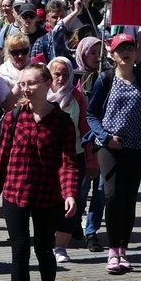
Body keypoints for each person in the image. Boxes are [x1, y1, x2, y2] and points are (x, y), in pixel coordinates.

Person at [0, 62, 79, 281]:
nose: (26, 89)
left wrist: (70, 193)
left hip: (46, 195)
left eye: (32, 83)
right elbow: (0, 158)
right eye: (23, 83)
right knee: (19, 253)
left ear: (47, 84)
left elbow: (68, 163)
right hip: (15, 194)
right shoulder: (12, 118)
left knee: (43, 249)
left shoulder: (62, 121)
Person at [85, 33, 141, 274]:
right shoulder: (104, 79)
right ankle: (111, 251)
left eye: (130, 48)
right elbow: (92, 114)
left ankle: (122, 251)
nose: (126, 53)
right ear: (113, 54)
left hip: (137, 148)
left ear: (137, 53)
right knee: (112, 196)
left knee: (128, 199)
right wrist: (105, 137)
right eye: (121, 49)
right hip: (108, 146)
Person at [47, 57, 97, 262]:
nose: (61, 78)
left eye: (65, 74)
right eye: (56, 74)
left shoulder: (77, 98)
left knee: (71, 201)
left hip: (73, 157)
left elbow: (86, 131)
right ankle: (45, 242)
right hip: (46, 158)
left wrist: (92, 161)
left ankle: (61, 247)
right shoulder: (41, 96)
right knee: (48, 203)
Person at [75, 37, 107, 251]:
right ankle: (75, 220)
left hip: (104, 141)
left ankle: (91, 231)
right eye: (92, 52)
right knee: (80, 189)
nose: (97, 57)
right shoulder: (73, 77)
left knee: (102, 189)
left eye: (99, 52)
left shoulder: (107, 77)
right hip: (82, 144)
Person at [0, 33, 32, 112]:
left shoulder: (37, 69)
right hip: (15, 119)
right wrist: (21, 80)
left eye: (24, 51)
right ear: (8, 53)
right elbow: (7, 106)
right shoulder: (2, 77)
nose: (20, 56)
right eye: (15, 53)